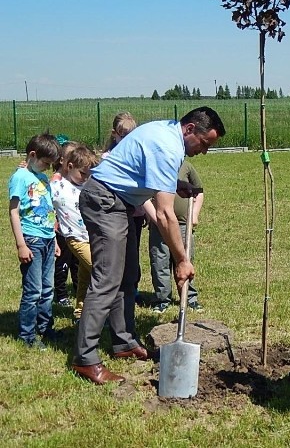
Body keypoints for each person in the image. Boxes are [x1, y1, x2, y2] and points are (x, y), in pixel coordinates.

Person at [71, 107, 225, 385]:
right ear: (190, 129)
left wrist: (174, 183)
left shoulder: (166, 134)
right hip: (105, 201)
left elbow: (140, 169)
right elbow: (165, 215)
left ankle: (124, 341)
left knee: (128, 277)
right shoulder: (167, 146)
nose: (204, 152)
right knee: (106, 279)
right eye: (204, 144)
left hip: (121, 203)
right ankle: (85, 358)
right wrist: (181, 259)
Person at [8, 133, 61, 350]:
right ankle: (27, 335)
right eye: (46, 163)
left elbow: (49, 210)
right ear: (32, 155)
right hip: (32, 240)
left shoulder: (41, 178)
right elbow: (14, 211)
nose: (48, 168)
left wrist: (55, 240)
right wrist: (21, 244)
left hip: (48, 239)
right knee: (33, 291)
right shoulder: (20, 177)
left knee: (48, 289)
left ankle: (45, 327)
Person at [145, 160, 204, 313]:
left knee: (185, 260)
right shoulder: (154, 166)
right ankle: (162, 299)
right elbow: (145, 197)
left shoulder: (186, 166)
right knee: (160, 261)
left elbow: (199, 191)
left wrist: (195, 214)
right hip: (159, 227)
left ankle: (189, 297)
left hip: (183, 225)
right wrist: (157, 220)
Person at [101, 112, 145, 303]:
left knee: (133, 254)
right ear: (114, 134)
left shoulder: (137, 156)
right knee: (117, 255)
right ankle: (117, 291)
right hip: (116, 215)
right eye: (123, 135)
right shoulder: (108, 158)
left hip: (136, 214)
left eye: (131, 135)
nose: (127, 139)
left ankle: (132, 287)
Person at [51, 145, 99, 320]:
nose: (85, 178)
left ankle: (80, 313)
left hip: (91, 237)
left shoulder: (87, 185)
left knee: (84, 277)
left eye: (89, 174)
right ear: (69, 167)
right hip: (74, 238)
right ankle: (102, 313)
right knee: (99, 270)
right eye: (82, 173)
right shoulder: (57, 186)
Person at [51, 140, 80, 308]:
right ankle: (61, 295)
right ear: (62, 160)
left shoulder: (76, 180)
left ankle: (78, 291)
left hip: (75, 229)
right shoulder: (56, 181)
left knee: (77, 264)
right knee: (62, 263)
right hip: (61, 230)